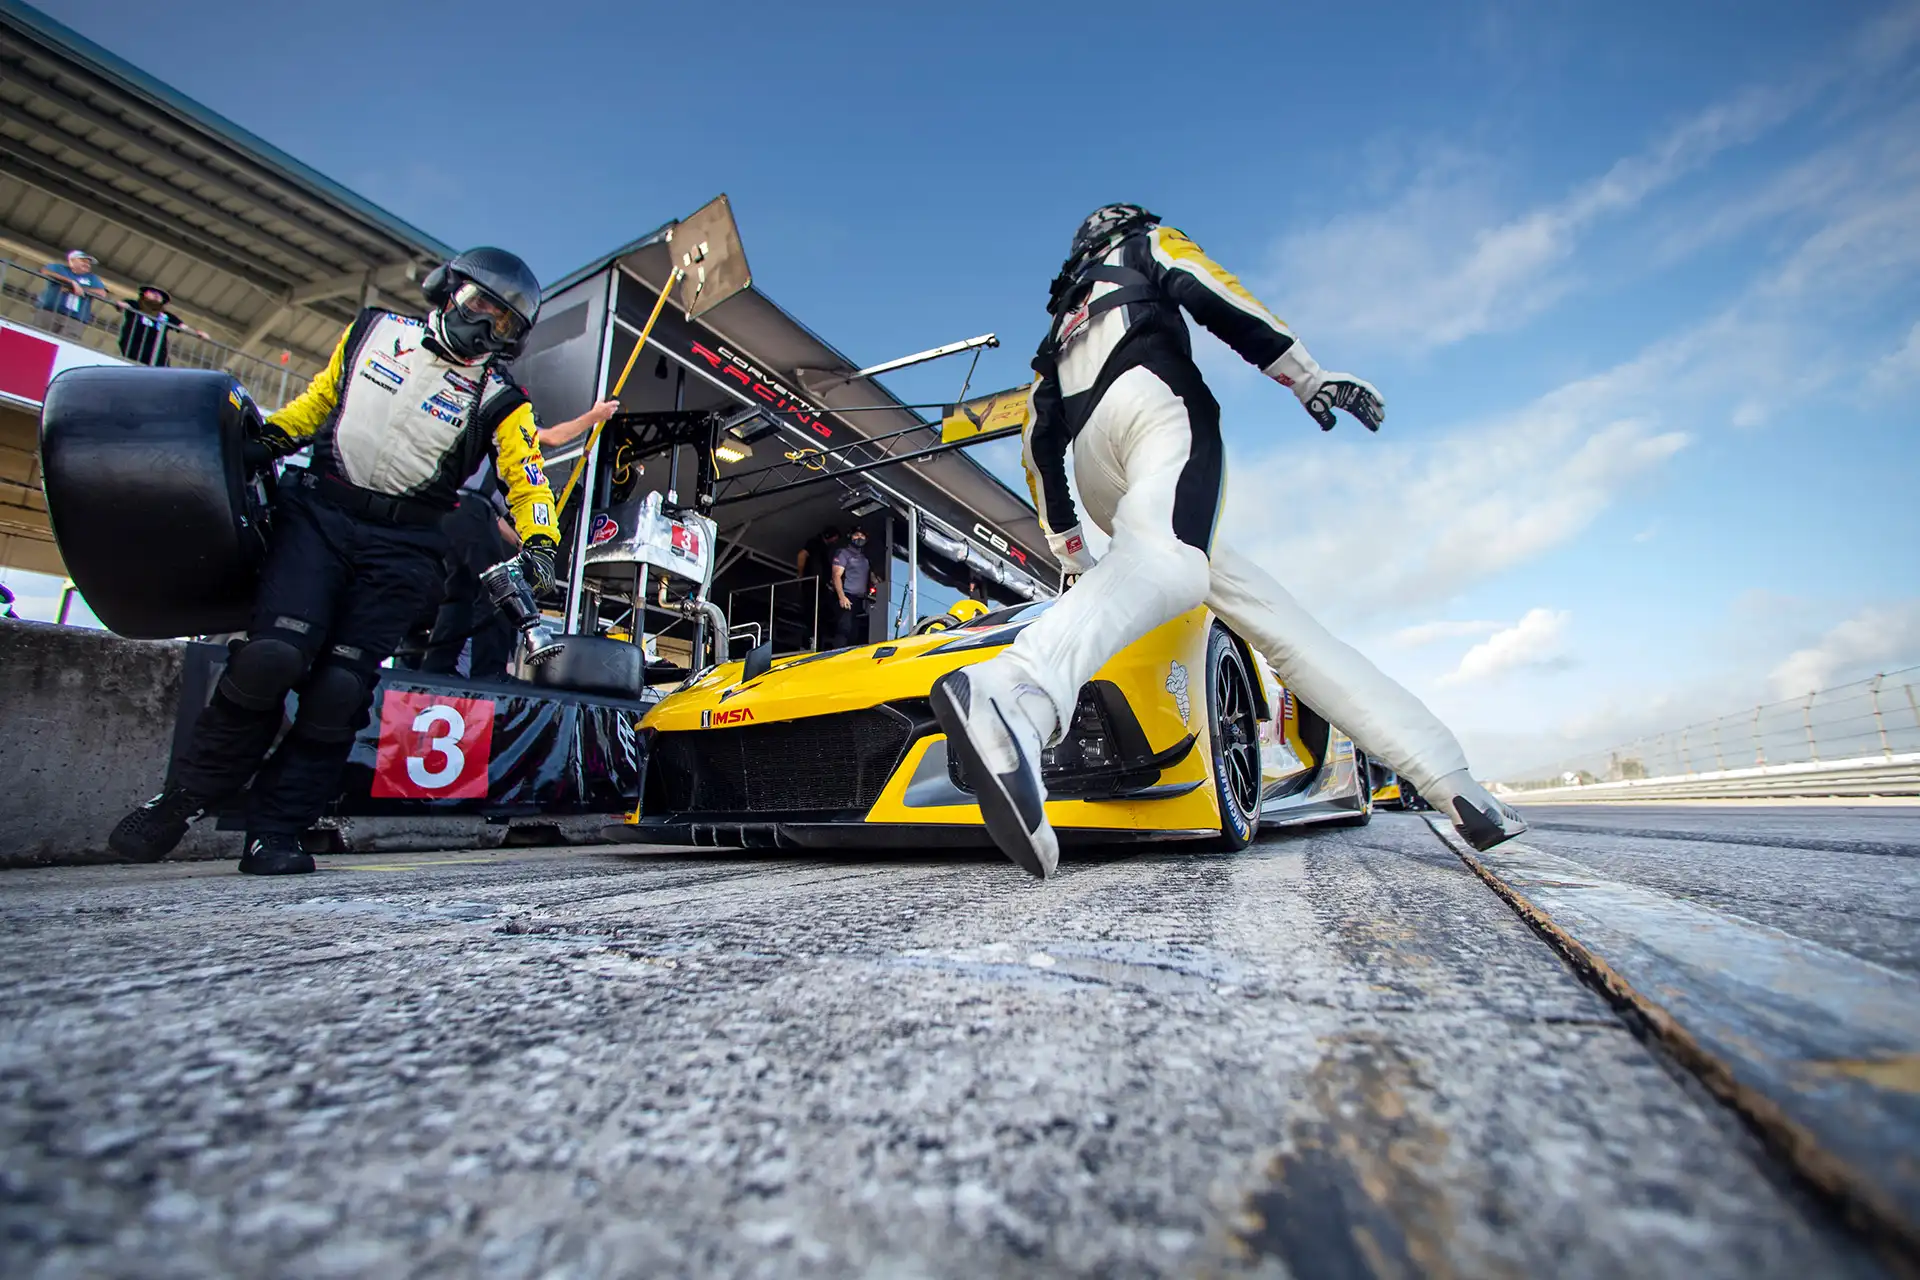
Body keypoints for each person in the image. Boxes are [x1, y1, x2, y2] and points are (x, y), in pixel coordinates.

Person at [929, 204, 1529, 878]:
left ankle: (1454, 782)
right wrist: (1305, 374)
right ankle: (1020, 688)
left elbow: (1037, 446)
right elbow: (1207, 289)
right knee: (1174, 565)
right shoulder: (1145, 246)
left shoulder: (1059, 331)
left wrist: (1071, 545)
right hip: (1154, 402)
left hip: (1095, 467)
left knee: (1285, 631)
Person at [108, 247, 562, 876]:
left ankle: (276, 830)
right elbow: (321, 401)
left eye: (503, 324)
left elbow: (529, 475)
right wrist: (268, 440)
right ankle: (184, 798)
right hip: (318, 516)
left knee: (340, 689)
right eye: (479, 306)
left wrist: (541, 540)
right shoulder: (373, 331)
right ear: (447, 290)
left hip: (405, 549)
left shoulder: (502, 398)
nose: (485, 327)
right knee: (272, 657)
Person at [420, 397, 618, 680]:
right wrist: (595, 416)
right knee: (501, 593)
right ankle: (489, 671)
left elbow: (492, 519)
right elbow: (554, 436)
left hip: (453, 513)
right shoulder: (502, 427)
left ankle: (437, 667)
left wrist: (520, 541)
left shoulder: (471, 440)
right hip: (471, 510)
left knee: (459, 593)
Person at [116, 285, 209, 367]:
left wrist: (197, 333)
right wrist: (120, 305)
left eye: (159, 295)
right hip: (135, 344)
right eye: (152, 292)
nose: (156, 295)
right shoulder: (135, 304)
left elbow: (182, 327)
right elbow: (123, 305)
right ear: (144, 294)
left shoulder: (166, 315)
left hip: (157, 351)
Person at [34, 249, 108, 338]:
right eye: (83, 260)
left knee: (67, 343)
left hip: (75, 319)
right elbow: (45, 271)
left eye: (89, 263)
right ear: (72, 261)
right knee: (40, 337)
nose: (87, 264)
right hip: (50, 312)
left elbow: (102, 293)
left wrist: (78, 289)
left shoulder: (92, 278)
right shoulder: (59, 268)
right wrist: (71, 282)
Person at [830, 526, 875, 647]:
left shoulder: (865, 558)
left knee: (855, 633)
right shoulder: (844, 553)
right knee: (844, 630)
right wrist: (842, 597)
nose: (859, 537)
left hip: (861, 600)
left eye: (862, 535)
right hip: (847, 597)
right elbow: (836, 575)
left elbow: (871, 578)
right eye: (856, 535)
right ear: (850, 537)